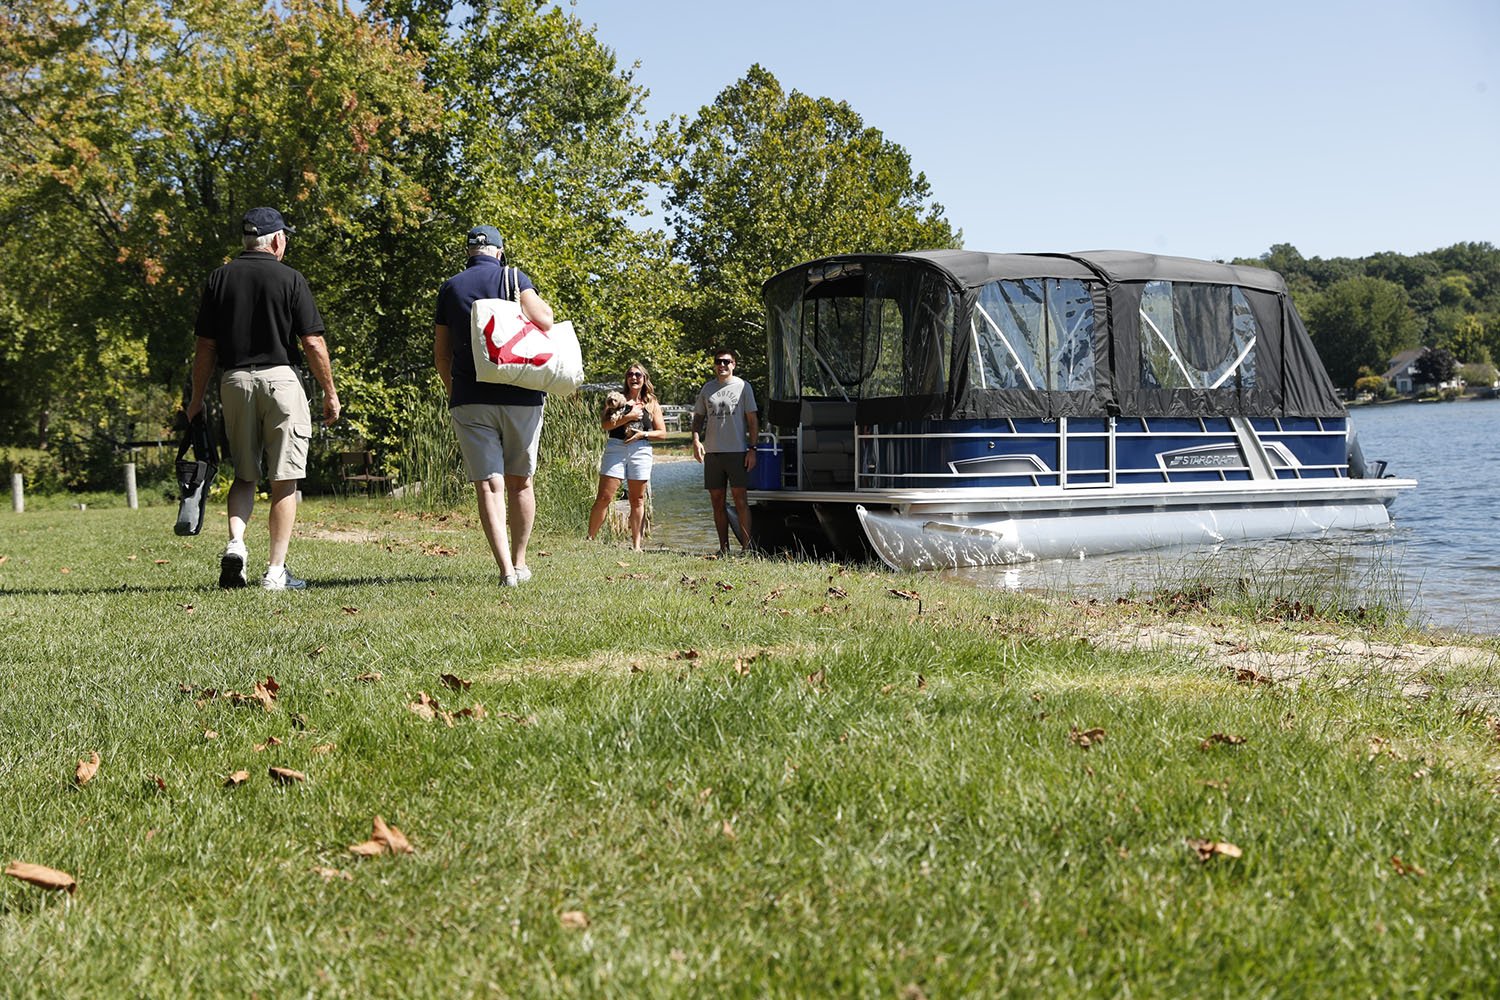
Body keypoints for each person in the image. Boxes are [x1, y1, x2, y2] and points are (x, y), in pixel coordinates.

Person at [187, 207, 340, 591]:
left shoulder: (218, 279)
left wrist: (196, 398)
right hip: (280, 380)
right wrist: (330, 393)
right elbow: (312, 342)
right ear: (275, 240)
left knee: (244, 474)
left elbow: (205, 345)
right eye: (284, 237)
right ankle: (275, 572)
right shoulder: (290, 278)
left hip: (234, 381)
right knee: (284, 479)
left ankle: (236, 544)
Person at [433, 224, 554, 587]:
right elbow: (545, 320)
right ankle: (519, 562)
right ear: (499, 252)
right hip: (521, 395)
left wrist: (455, 390)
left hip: (471, 399)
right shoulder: (514, 278)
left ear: (468, 253)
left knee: (488, 485)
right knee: (521, 483)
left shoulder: (450, 288)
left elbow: (441, 354)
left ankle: (504, 572)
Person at [586, 363, 666, 550]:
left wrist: (642, 434)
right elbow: (605, 425)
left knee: (637, 499)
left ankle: (636, 546)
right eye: (630, 374)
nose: (634, 377)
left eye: (638, 374)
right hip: (616, 448)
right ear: (626, 379)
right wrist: (628, 417)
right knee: (604, 497)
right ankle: (589, 540)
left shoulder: (651, 403)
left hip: (641, 450)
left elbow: (662, 433)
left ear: (644, 378)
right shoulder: (616, 400)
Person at [691, 347, 759, 553]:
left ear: (734, 364)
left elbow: (753, 421)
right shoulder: (707, 388)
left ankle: (747, 549)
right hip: (713, 453)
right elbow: (698, 418)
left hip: (737, 451)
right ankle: (724, 548)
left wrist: (752, 449)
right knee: (717, 501)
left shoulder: (743, 386)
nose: (722, 365)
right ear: (714, 365)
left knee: (740, 500)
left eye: (727, 362)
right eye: (719, 361)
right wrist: (695, 440)